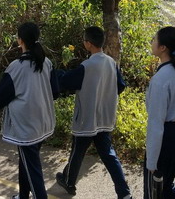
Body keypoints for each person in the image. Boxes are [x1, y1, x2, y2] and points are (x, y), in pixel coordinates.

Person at [0, 22, 58, 199]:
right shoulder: (46, 62)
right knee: (26, 161)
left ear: (20, 40)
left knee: (32, 168)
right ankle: (23, 195)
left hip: (27, 126)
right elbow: (55, 91)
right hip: (44, 122)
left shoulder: (17, 67)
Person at [56, 26, 132, 199]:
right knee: (109, 155)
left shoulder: (87, 66)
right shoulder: (111, 63)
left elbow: (66, 82)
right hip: (105, 117)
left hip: (87, 118)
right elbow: (120, 86)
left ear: (88, 44)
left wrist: (58, 74)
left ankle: (69, 182)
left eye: (84, 40)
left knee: (78, 151)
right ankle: (124, 193)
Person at [144, 27, 175, 199]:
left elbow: (156, 123)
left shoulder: (161, 79)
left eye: (154, 39)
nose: (152, 42)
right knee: (165, 186)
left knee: (154, 190)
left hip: (169, 138)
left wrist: (151, 161)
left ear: (163, 47)